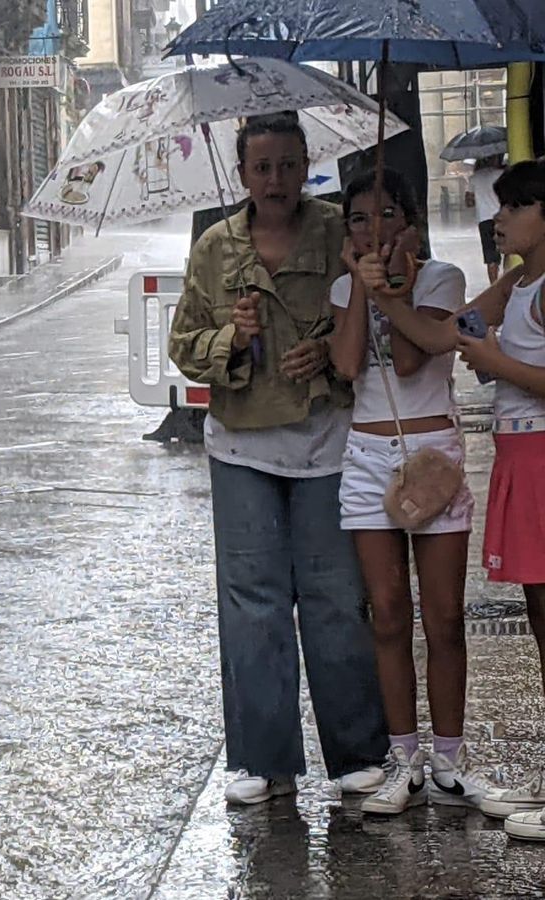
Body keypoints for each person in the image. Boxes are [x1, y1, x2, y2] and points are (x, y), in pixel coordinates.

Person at [168, 112, 388, 806]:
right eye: (262, 167)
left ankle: (357, 750)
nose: (276, 180)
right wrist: (231, 340)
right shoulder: (215, 247)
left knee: (334, 596)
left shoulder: (337, 231)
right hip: (241, 446)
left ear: (306, 166)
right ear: (242, 174)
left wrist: (326, 349)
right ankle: (263, 759)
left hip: (327, 442)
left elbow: (371, 313)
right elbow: (184, 344)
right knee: (252, 602)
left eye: (289, 165)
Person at [329, 169, 484, 815]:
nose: (375, 230)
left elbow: (416, 356)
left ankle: (449, 760)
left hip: (432, 458)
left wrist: (395, 287)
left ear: (412, 222)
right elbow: (346, 365)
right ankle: (405, 759)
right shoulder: (344, 287)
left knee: (444, 616)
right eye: (359, 219)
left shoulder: (442, 278)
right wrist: (360, 290)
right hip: (367, 459)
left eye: (388, 214)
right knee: (388, 613)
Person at [416, 160, 545, 840]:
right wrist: (383, 295)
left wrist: (493, 364)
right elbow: (446, 333)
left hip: (542, 460)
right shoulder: (515, 284)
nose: (501, 219)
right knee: (539, 617)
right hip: (521, 461)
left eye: (516, 206)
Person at [469, 155, 506, 284]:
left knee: (490, 257)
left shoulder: (474, 178)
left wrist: (479, 198)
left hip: (484, 220)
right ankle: (508, 278)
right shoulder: (500, 174)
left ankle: (494, 286)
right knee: (509, 250)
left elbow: (469, 202)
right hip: (501, 217)